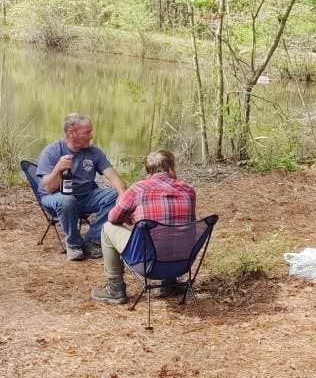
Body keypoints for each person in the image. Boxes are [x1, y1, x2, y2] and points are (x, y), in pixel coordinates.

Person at [91, 149, 197, 306]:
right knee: (173, 229)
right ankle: (169, 284)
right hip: (182, 262)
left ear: (148, 171)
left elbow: (113, 218)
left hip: (147, 264)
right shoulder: (188, 191)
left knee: (107, 228)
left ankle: (115, 289)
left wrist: (132, 218)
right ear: (172, 168)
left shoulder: (137, 189)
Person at [36, 114, 127, 261]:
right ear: (72, 133)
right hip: (56, 197)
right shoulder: (52, 151)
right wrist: (58, 169)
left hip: (86, 196)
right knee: (67, 200)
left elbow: (113, 176)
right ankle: (73, 244)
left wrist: (123, 192)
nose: (91, 136)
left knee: (115, 195)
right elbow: (48, 188)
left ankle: (92, 240)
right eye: (87, 132)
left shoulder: (94, 152)